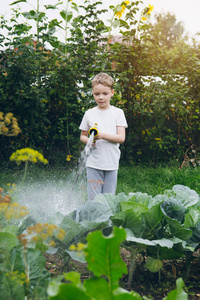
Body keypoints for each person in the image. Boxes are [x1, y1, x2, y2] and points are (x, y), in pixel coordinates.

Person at [79, 72, 128, 200]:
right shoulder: (89, 114)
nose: (101, 97)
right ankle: (94, 219)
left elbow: (121, 138)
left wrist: (102, 136)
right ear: (93, 93)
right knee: (94, 198)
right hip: (93, 163)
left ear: (112, 92)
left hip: (111, 163)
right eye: (97, 94)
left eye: (105, 94)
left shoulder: (118, 113)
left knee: (109, 198)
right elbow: (83, 136)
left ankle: (106, 220)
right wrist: (90, 141)